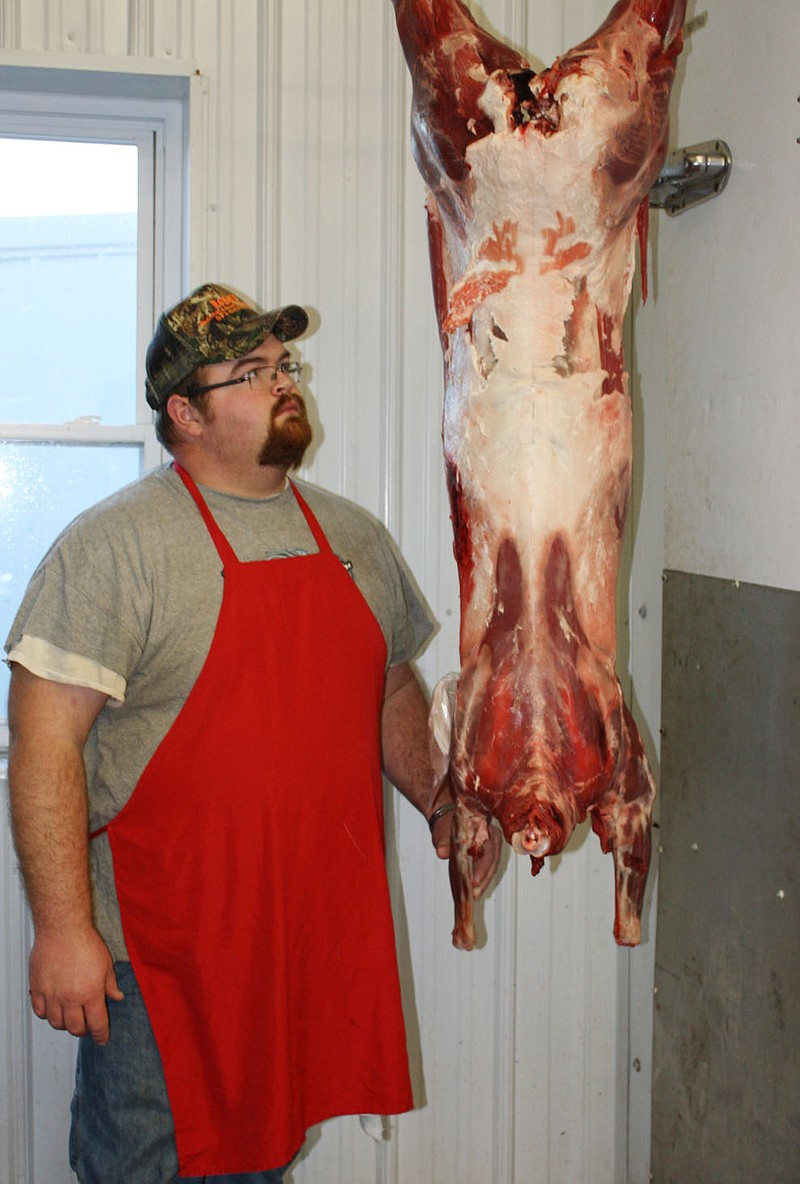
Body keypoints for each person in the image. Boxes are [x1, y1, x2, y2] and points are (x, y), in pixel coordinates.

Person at [4, 282, 500, 1184]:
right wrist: (61, 930)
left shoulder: (355, 536)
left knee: (260, 1163)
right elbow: (42, 744)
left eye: (285, 366)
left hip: (297, 939)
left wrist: (440, 798)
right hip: (159, 962)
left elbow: (386, 687)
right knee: (150, 1165)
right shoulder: (115, 546)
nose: (285, 384)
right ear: (184, 412)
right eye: (251, 371)